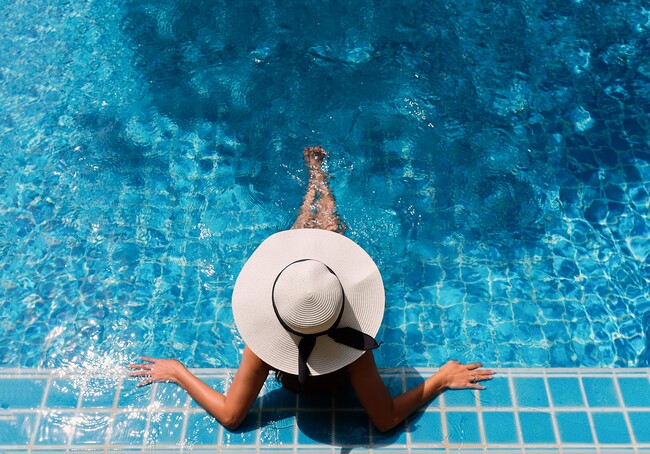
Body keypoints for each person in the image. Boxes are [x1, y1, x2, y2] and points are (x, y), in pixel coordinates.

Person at [129, 146, 494, 433]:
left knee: (301, 258)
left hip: (300, 318)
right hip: (329, 319)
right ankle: (320, 182)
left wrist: (179, 372)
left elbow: (230, 416)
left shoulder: (262, 349)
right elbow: (385, 420)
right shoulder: (354, 345)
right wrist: (441, 379)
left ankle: (313, 186)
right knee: (321, 252)